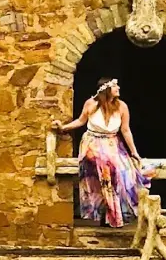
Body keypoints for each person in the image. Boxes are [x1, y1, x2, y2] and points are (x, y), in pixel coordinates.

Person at [52, 77, 155, 228]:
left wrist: (134, 152)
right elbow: (81, 121)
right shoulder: (91, 104)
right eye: (115, 86)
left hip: (112, 143)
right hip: (92, 143)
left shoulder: (122, 107)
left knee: (123, 170)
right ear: (107, 89)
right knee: (104, 165)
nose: (118, 88)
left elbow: (125, 130)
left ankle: (115, 213)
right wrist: (63, 128)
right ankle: (107, 212)